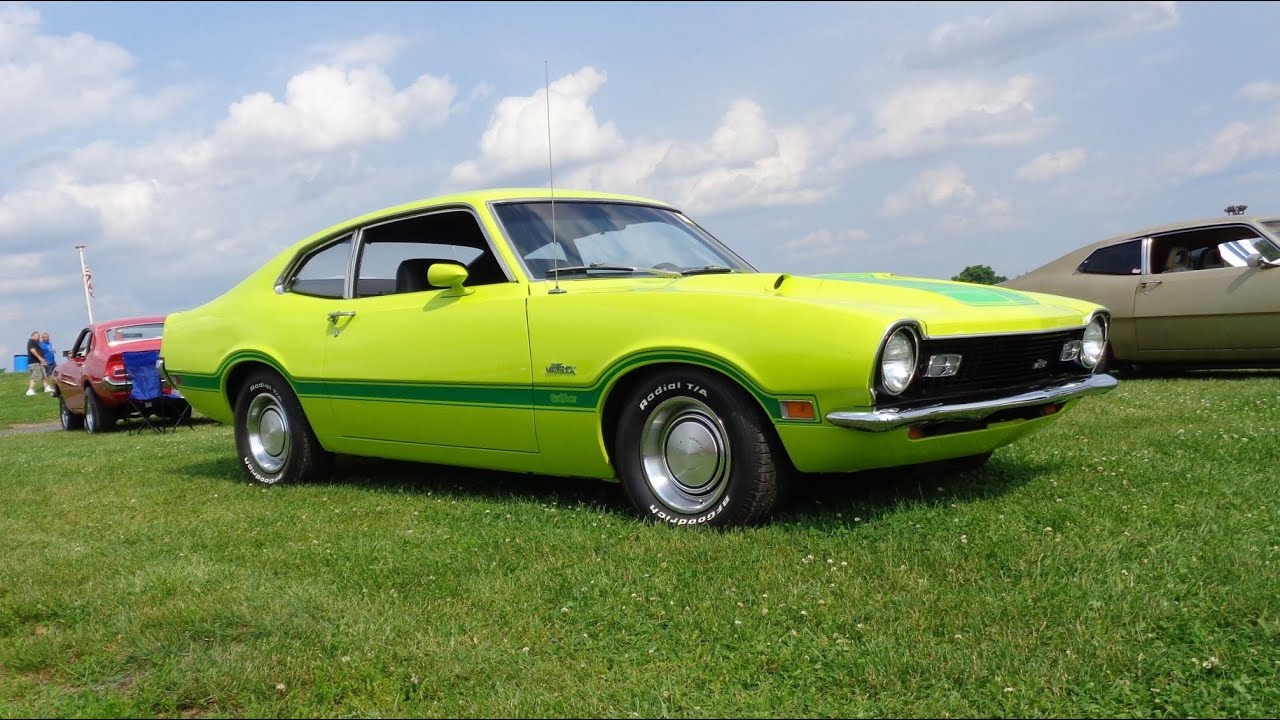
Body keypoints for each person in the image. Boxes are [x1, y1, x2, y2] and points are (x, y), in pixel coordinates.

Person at [25, 331, 53, 396]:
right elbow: (32, 350)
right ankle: (30, 390)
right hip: (34, 362)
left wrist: (42, 360)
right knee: (36, 376)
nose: (39, 337)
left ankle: (47, 387)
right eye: (38, 336)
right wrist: (40, 358)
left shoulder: (36, 342)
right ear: (34, 335)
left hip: (39, 362)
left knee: (43, 375)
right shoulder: (31, 341)